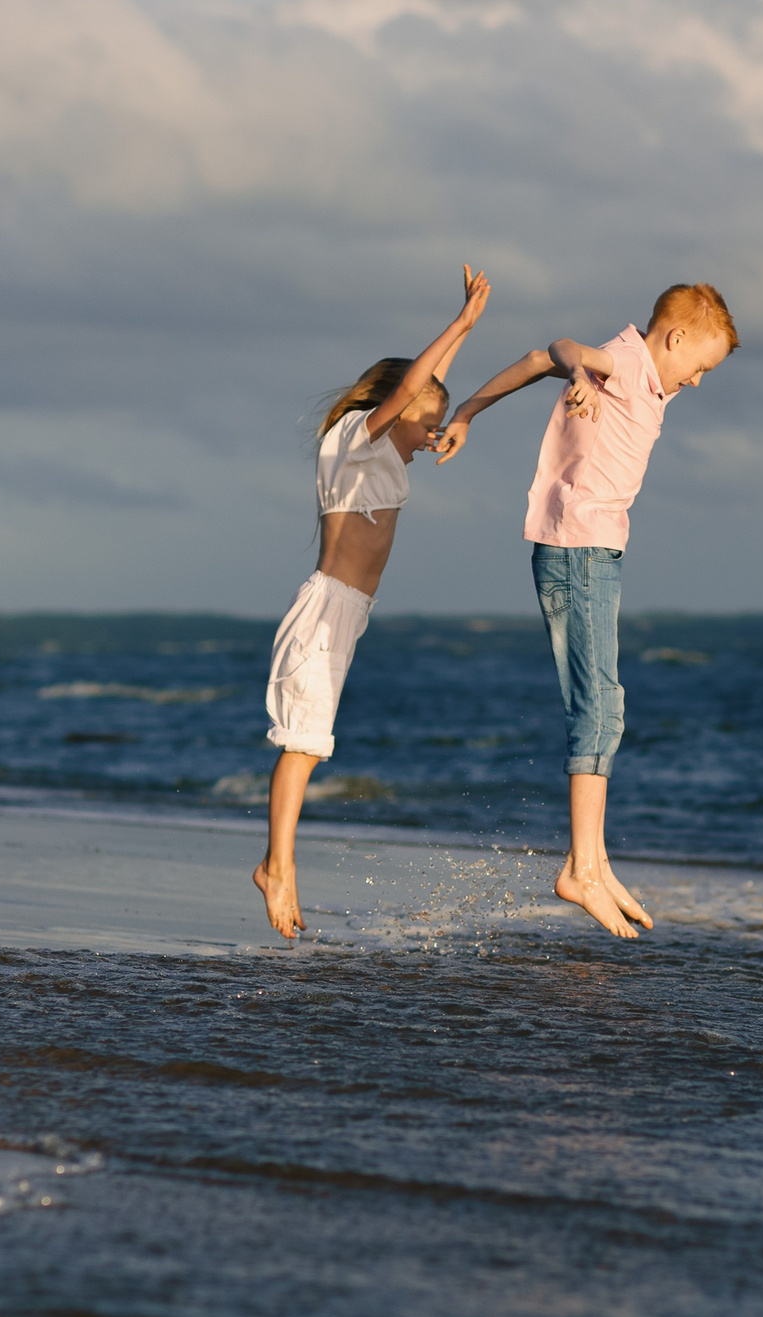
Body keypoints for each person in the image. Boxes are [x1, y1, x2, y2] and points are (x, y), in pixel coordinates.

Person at [434, 283, 737, 939]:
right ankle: (580, 869)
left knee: (607, 705)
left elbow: (536, 357)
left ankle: (595, 861)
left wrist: (468, 409)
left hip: (593, 553)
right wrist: (578, 369)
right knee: (597, 709)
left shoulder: (649, 379)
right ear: (674, 339)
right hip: (580, 551)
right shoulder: (622, 363)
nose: (700, 381)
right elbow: (562, 350)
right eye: (701, 365)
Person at [253, 265, 491, 941]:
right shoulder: (357, 434)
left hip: (346, 615)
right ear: (397, 406)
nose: (432, 435)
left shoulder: (378, 452)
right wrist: (463, 326)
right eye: (428, 424)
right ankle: (278, 866)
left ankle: (281, 863)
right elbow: (410, 387)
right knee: (301, 744)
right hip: (327, 611)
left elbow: (416, 396)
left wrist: (453, 359)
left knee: (309, 744)